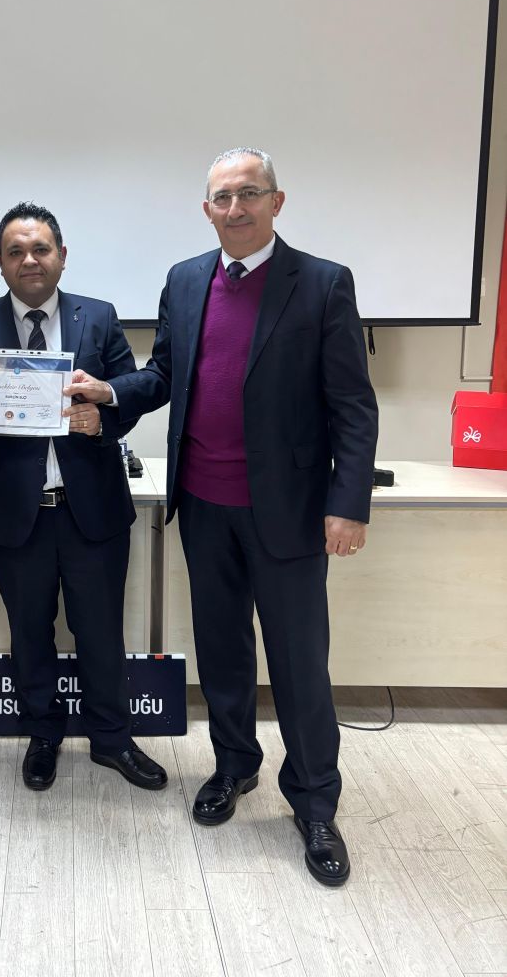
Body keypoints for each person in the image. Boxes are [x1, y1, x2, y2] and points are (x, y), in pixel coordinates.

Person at [68, 148, 378, 885]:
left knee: (299, 663)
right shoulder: (185, 279)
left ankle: (314, 802)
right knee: (223, 650)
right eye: (221, 198)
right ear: (206, 209)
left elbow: (353, 406)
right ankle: (235, 764)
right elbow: (165, 375)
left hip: (290, 513)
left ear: (276, 201)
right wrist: (110, 393)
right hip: (203, 506)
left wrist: (347, 504)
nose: (235, 209)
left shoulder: (323, 282)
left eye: (249, 194)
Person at [0, 202, 167, 792]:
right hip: (15, 515)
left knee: (101, 632)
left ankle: (112, 740)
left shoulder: (99, 316)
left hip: (90, 508)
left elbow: (132, 388)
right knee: (29, 632)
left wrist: (103, 415)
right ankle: (43, 735)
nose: (30, 260)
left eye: (40, 249)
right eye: (15, 252)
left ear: (62, 256)